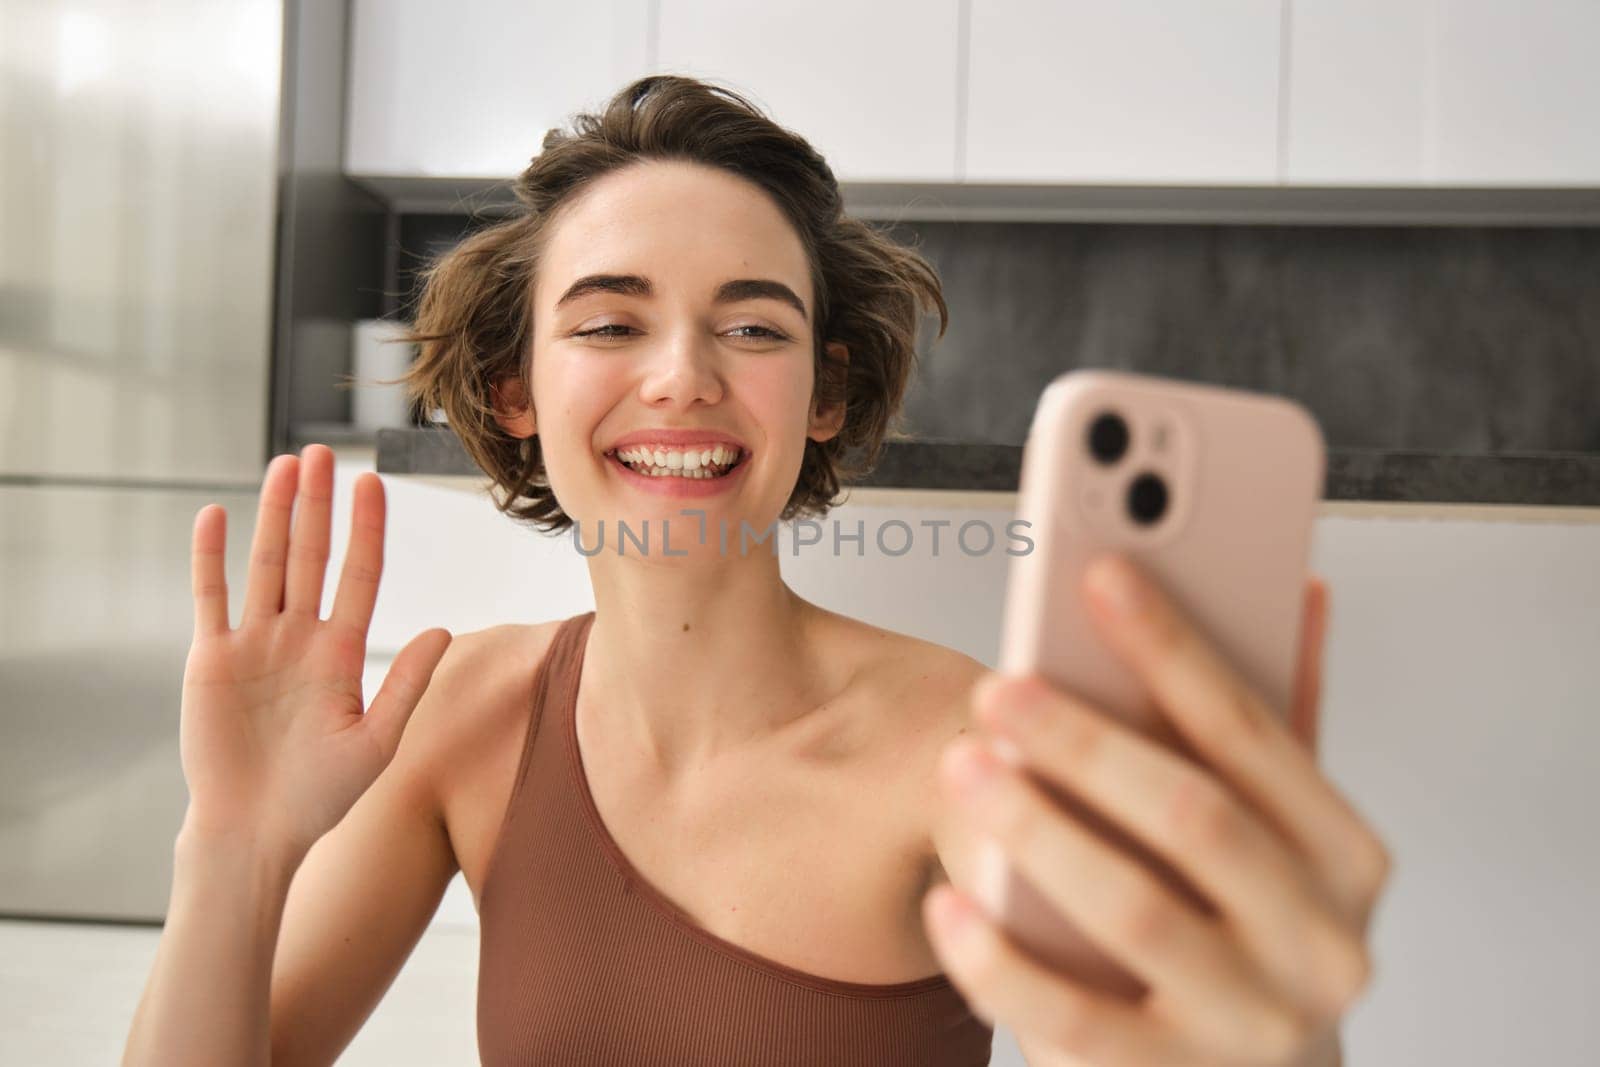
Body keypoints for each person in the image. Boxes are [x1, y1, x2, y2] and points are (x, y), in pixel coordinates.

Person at [124, 75, 1389, 1066]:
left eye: (751, 325)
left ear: (824, 392)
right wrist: (230, 845)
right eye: (611, 323)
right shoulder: (460, 716)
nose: (682, 375)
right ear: (516, 389)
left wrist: (1271, 1030)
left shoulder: (970, 746)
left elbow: (1162, 1022)